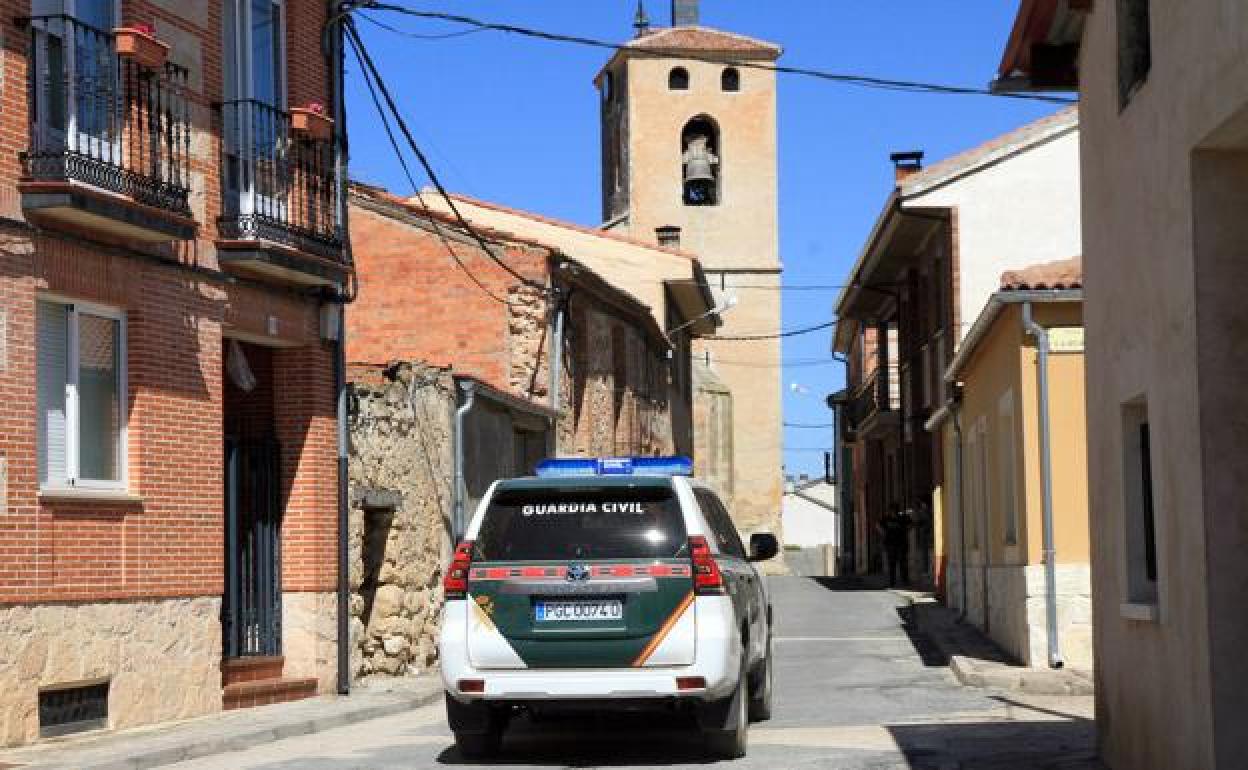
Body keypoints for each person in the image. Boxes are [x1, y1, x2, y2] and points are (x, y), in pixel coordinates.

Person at [878, 505, 913, 587]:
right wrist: (883, 532)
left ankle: (904, 580)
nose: (893, 513)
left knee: (903, 563)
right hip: (890, 544)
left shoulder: (903, 517)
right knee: (892, 564)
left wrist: (906, 530)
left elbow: (911, 524)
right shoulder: (886, 518)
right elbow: (878, 525)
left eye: (895, 511)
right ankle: (892, 582)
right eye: (892, 511)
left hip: (901, 543)